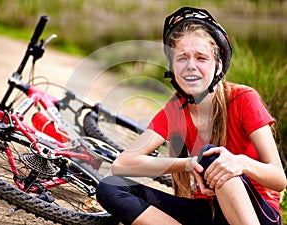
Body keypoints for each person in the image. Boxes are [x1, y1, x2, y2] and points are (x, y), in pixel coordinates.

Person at [96, 6, 287, 225]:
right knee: (111, 187)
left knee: (212, 156)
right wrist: (189, 163)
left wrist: (240, 163)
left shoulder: (243, 98)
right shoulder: (175, 109)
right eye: (182, 58)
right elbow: (123, 164)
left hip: (256, 214)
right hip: (209, 212)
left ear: (219, 65)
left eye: (201, 58)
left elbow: (279, 179)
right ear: (172, 67)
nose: (191, 67)